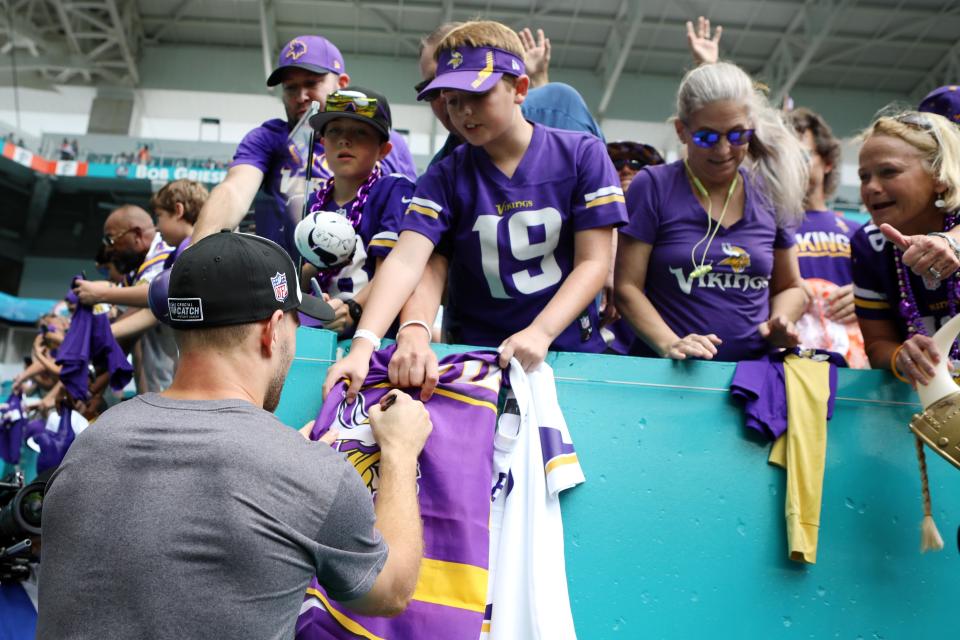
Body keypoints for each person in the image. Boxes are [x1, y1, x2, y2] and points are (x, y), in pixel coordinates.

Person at [36, 231, 432, 639]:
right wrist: (400, 453)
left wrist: (286, 459)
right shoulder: (308, 472)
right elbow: (389, 592)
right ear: (273, 330)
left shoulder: (93, 443)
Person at [323, 20, 627, 402]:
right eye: (451, 99)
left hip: (568, 354)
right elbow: (408, 262)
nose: (463, 112)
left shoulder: (582, 154)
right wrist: (365, 346)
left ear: (519, 89)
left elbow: (594, 262)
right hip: (474, 361)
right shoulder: (444, 175)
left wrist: (542, 332)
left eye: (477, 94)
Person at [614, 61, 809, 361]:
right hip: (669, 377)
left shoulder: (770, 189)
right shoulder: (653, 186)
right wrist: (670, 344)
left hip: (750, 378)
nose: (722, 150)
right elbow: (627, 288)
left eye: (736, 136)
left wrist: (780, 321)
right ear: (682, 130)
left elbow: (791, 287)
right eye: (706, 137)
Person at [191, 35, 416, 260]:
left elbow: (409, 222)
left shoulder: (386, 141)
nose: (301, 97)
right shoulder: (269, 138)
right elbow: (234, 190)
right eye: (291, 88)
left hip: (368, 280)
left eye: (312, 83)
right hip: (286, 282)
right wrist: (196, 256)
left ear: (341, 84)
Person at [852, 111, 960, 385]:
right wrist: (902, 357)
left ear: (939, 175)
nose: (872, 187)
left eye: (889, 172)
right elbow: (877, 344)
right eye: (864, 176)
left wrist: (949, 242)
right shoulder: (869, 244)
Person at [300, 87, 415, 337]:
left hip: (377, 340)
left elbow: (393, 270)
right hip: (320, 334)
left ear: (383, 150)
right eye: (334, 131)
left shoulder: (392, 190)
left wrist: (353, 309)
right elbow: (300, 278)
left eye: (360, 132)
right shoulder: (312, 203)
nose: (345, 140)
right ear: (323, 144)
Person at [787, 108, 867, 367]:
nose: (792, 163)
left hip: (852, 364)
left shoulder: (857, 231)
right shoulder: (763, 231)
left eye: (803, 154)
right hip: (786, 361)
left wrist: (866, 300)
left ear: (827, 162)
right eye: (783, 155)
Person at [74, 205, 176, 392]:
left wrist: (100, 295)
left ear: (136, 234)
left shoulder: (162, 258)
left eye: (110, 240)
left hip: (175, 389)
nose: (109, 249)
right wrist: (93, 386)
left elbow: (149, 306)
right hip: (159, 390)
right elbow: (126, 336)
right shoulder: (137, 270)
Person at [110, 179, 208, 344]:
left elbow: (160, 304)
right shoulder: (180, 254)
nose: (156, 227)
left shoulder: (190, 253)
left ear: (178, 210)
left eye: (159, 216)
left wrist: (102, 296)